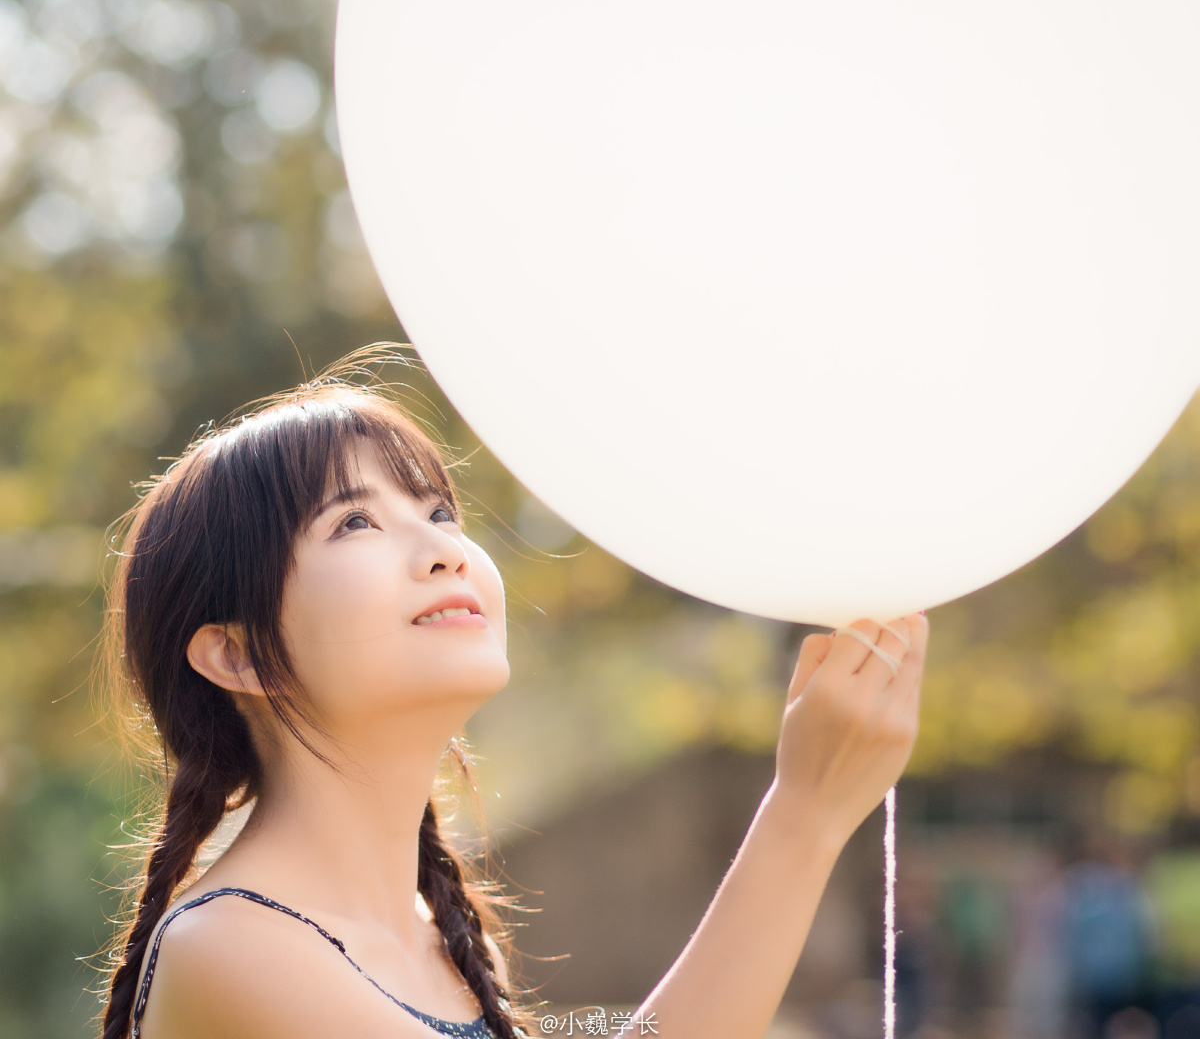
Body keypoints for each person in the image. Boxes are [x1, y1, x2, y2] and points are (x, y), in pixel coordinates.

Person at [98, 356, 927, 1039]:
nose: (442, 550)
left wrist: (811, 811)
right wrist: (803, 815)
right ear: (240, 657)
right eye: (354, 522)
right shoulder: (233, 948)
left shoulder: (443, 946)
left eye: (437, 510)